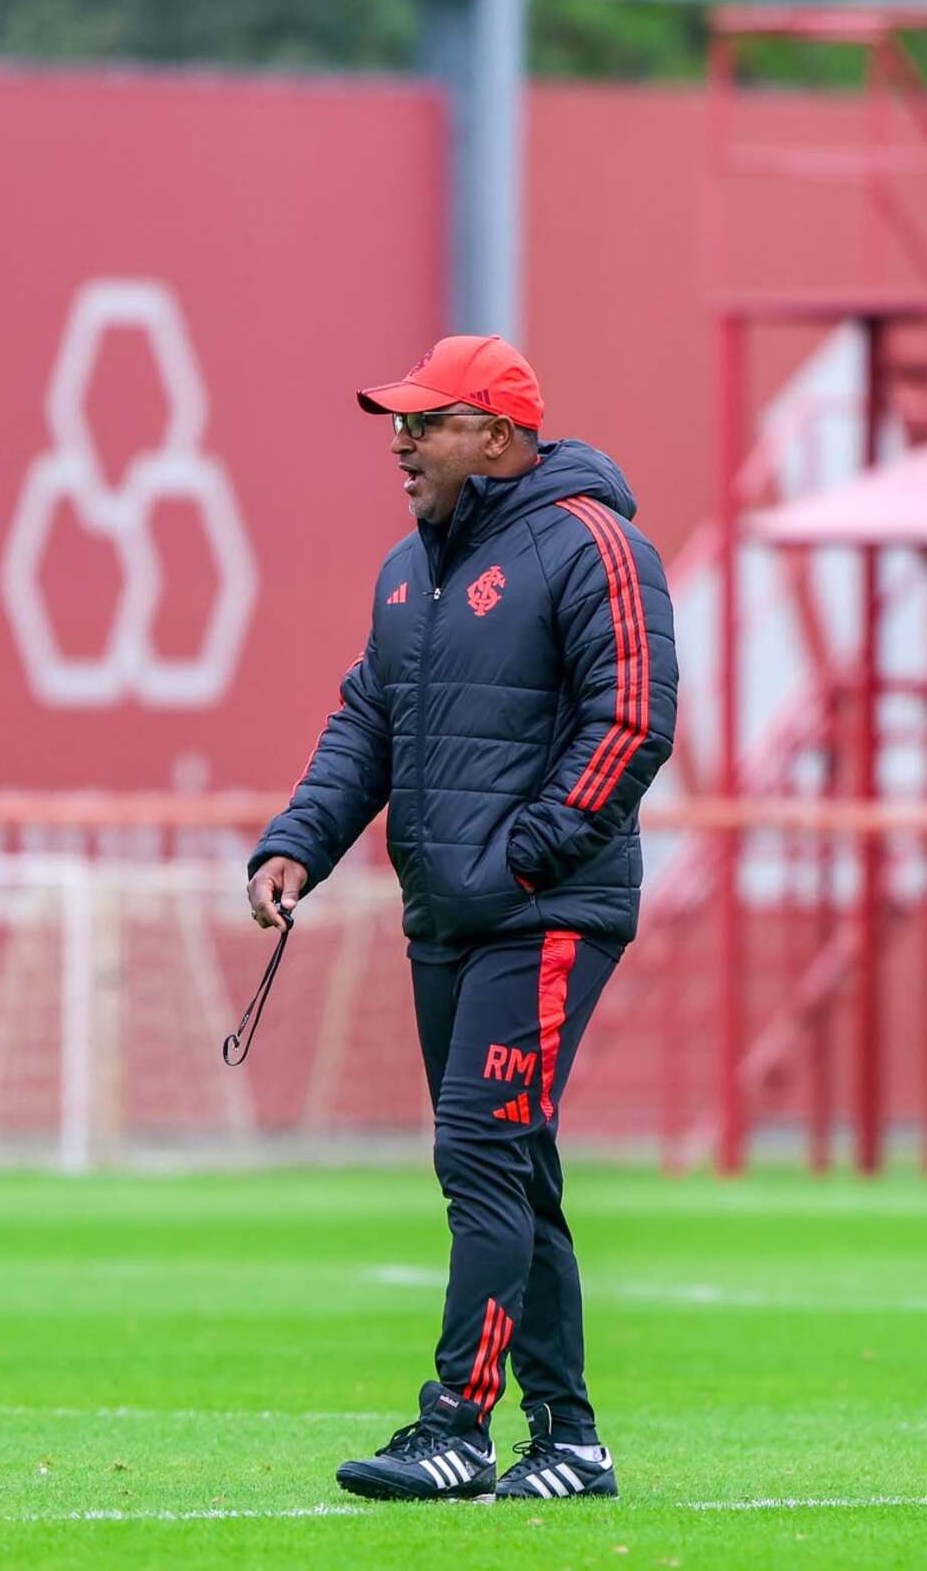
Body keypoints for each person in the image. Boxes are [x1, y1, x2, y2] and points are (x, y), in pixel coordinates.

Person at [247, 334, 678, 1504]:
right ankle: (570, 1442)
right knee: (514, 1167)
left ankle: (455, 1424)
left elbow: (632, 718)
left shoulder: (593, 541)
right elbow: (365, 726)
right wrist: (299, 840)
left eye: (424, 421)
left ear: (497, 436)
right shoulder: (408, 571)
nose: (399, 440)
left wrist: (523, 855)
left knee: (479, 1152)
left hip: (543, 914)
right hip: (445, 916)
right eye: (398, 420)